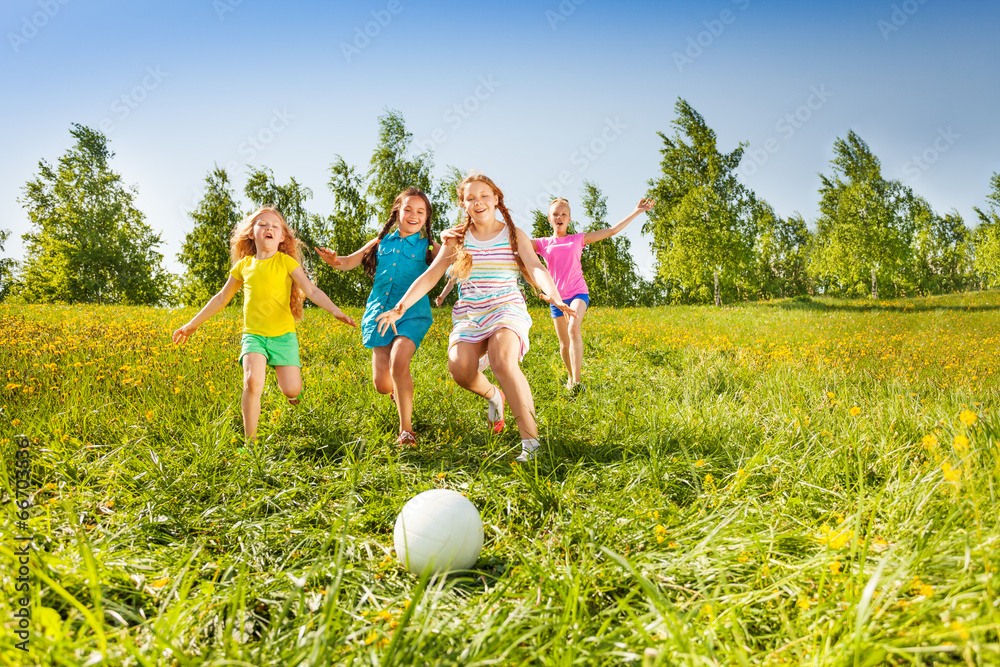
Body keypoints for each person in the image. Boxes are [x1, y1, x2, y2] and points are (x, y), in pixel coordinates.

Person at [376, 172, 575, 462]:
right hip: (470, 313)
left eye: (484, 196)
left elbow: (536, 267)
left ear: (496, 199)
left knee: (502, 359)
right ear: (463, 204)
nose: (478, 201)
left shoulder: (512, 233)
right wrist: (401, 306)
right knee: (461, 370)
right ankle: (495, 395)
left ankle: (531, 444)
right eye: (471, 198)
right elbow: (431, 275)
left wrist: (554, 294)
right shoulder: (457, 239)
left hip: (506, 307)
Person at [172, 205, 356, 442]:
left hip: (283, 336)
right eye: (263, 224)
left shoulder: (287, 263)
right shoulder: (243, 266)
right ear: (251, 233)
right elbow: (220, 298)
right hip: (254, 335)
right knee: (252, 381)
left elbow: (310, 289)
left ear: (282, 238)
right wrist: (192, 324)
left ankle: (291, 395)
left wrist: (335, 310)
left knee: (292, 389)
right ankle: (251, 443)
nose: (269, 228)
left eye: (275, 226)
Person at [315, 187, 441, 446]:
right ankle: (397, 392)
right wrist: (334, 260)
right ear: (397, 212)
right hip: (379, 315)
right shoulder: (380, 242)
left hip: (411, 315)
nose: (413, 215)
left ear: (427, 217)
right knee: (383, 384)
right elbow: (349, 261)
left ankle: (406, 430)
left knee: (399, 363)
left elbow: (454, 262)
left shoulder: (430, 247)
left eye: (420, 211)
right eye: (408, 209)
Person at [533, 196, 654, 392]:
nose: (560, 217)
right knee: (564, 343)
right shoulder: (542, 243)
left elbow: (612, 230)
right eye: (556, 214)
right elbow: (515, 242)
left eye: (564, 214)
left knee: (574, 329)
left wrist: (637, 211)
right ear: (549, 218)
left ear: (569, 219)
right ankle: (571, 378)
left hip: (578, 293)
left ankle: (577, 384)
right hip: (556, 298)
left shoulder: (577, 239)